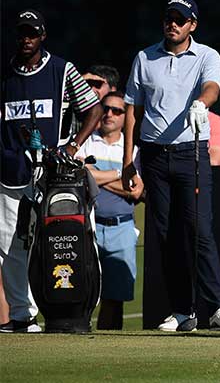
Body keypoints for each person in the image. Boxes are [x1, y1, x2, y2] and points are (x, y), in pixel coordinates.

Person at [122, 0, 220, 331]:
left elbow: (212, 86)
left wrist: (201, 103)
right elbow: (133, 109)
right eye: (168, 18)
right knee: (165, 235)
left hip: (191, 153)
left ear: (192, 25)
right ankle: (182, 310)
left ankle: (218, 307)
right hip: (154, 155)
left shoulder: (206, 55)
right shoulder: (145, 57)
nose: (172, 24)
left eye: (180, 19)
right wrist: (128, 161)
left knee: (199, 229)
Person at [0, 9, 103, 333]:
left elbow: (94, 108)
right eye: (22, 33)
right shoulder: (6, 73)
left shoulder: (62, 69)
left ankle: (78, 306)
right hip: (11, 169)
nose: (26, 39)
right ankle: (22, 315)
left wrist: (72, 147)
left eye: (32, 33)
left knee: (72, 235)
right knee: (10, 244)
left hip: (55, 172)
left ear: (42, 36)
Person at [75, 92, 144, 329]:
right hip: (88, 226)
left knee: (115, 298)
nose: (109, 114)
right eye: (105, 109)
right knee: (81, 292)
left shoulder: (133, 151)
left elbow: (136, 192)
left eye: (117, 111)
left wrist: (96, 175)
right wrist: (118, 174)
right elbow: (80, 177)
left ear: (126, 117)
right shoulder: (85, 141)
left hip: (121, 227)